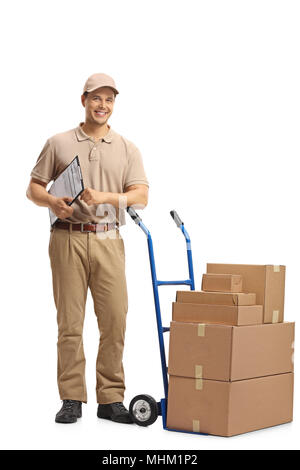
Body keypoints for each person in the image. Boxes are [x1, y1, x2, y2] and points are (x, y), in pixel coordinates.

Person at [26, 73, 149, 424]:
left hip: (109, 236)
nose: (103, 106)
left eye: (109, 100)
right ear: (84, 100)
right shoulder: (59, 142)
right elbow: (33, 188)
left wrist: (106, 197)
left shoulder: (127, 148)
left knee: (115, 320)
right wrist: (52, 201)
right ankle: (72, 398)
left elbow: (141, 195)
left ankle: (110, 399)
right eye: (97, 98)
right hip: (67, 237)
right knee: (70, 322)